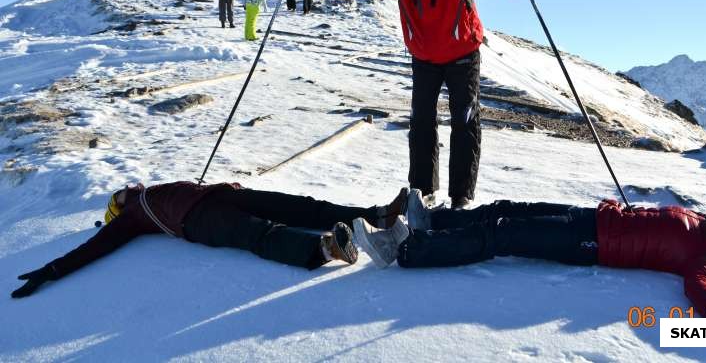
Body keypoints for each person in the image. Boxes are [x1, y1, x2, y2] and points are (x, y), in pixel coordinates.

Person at [282, 0, 529, 209]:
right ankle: (422, 193)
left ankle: (461, 198)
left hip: (463, 55)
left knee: (464, 123)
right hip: (424, 58)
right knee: (422, 122)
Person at [354, 190, 706, 321]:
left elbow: (701, 293)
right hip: (597, 217)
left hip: (596, 247)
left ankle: (407, 249)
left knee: (505, 236)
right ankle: (436, 222)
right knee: (508, 207)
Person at [11, 181, 409, 298]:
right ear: (115, 209)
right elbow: (93, 247)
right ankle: (326, 248)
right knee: (258, 235)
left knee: (297, 204)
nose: (122, 189)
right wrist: (53, 269)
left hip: (220, 195)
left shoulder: (150, 189)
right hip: (196, 222)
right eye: (115, 196)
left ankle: (375, 215)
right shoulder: (131, 217)